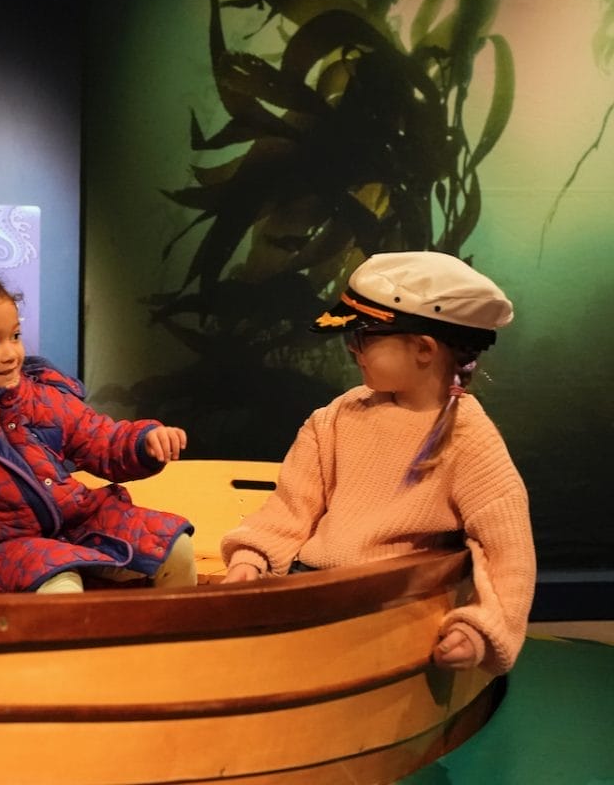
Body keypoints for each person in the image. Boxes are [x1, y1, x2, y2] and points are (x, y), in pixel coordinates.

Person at [220, 251, 534, 674]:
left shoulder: (468, 439)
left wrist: (481, 628)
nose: (353, 349)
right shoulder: (334, 419)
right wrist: (251, 558)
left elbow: (507, 555)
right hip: (306, 588)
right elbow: (291, 509)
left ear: (423, 349)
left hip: (389, 611)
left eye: (364, 337)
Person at [0, 266, 197, 594]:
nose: (11, 354)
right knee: (61, 584)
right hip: (4, 553)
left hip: (77, 525)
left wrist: (144, 441)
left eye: (14, 336)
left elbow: (99, 438)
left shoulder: (41, 394)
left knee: (174, 549)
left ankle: (170, 642)